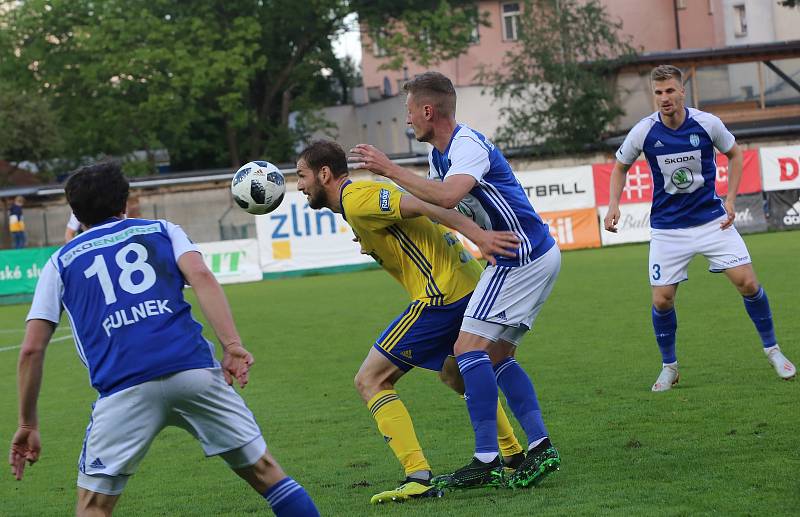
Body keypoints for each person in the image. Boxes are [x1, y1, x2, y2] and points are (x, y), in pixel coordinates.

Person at [9, 162, 320, 517]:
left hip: (122, 389)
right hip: (192, 370)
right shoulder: (162, 229)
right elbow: (201, 274)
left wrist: (28, 424)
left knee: (93, 507)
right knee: (267, 474)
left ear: (76, 214)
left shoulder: (59, 262)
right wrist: (231, 345)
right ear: (125, 202)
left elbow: (32, 349)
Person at [349, 71, 562, 490]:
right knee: (497, 356)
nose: (407, 119)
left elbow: (446, 198)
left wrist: (388, 169)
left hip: (518, 255)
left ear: (428, 110)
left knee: (467, 350)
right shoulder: (439, 155)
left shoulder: (466, 147)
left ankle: (486, 458)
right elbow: (438, 203)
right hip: (526, 252)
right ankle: (538, 448)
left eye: (409, 111)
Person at [296, 140, 527, 503]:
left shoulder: (358, 199)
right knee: (454, 374)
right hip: (466, 285)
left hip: (441, 297)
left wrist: (479, 236)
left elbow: (427, 204)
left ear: (324, 174)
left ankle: (417, 475)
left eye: (301, 176)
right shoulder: (358, 205)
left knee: (370, 380)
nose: (298, 186)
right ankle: (512, 454)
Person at [603, 64, 796, 391]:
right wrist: (613, 205)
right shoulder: (644, 131)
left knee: (748, 283)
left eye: (670, 91)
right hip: (668, 229)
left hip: (711, 221)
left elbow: (735, 155)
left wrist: (731, 199)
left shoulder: (707, 123)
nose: (664, 98)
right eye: (658, 92)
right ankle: (669, 367)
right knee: (662, 300)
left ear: (682, 92)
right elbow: (620, 167)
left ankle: (774, 350)